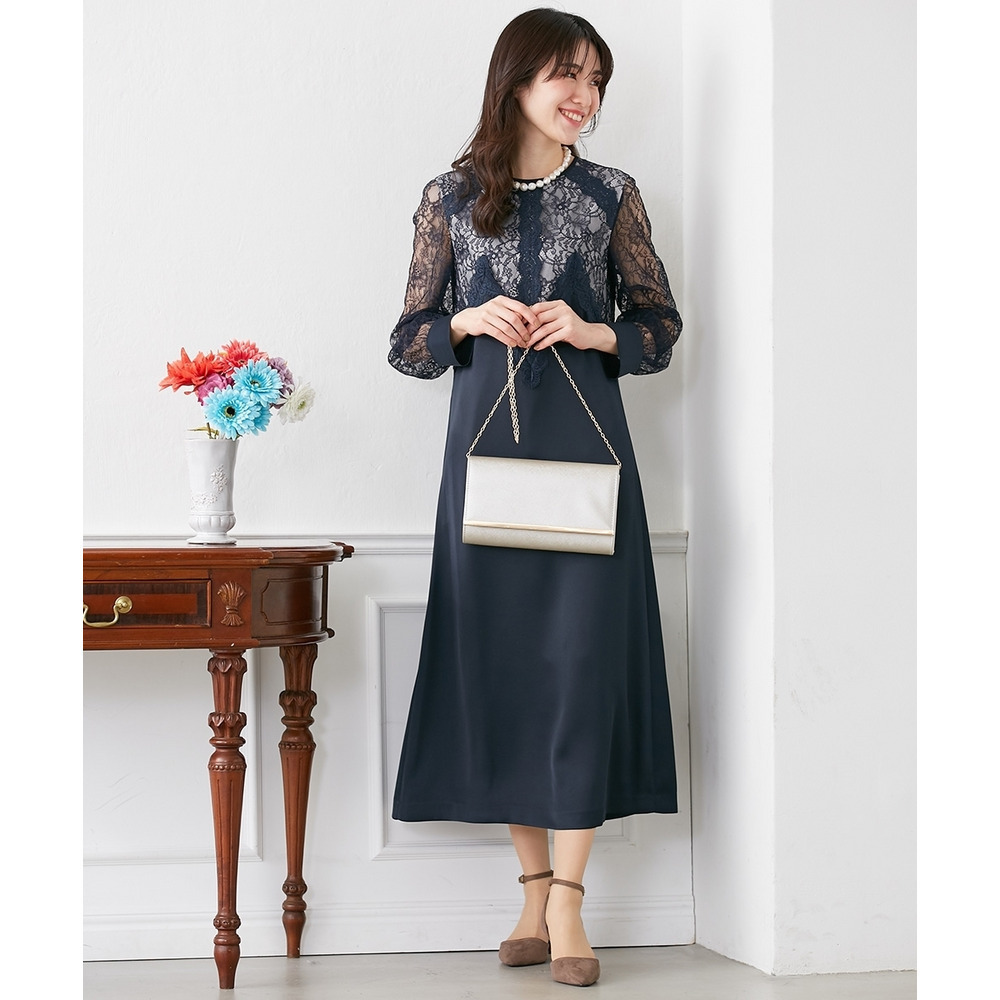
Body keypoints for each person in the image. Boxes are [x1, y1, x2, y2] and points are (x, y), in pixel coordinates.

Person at [387, 7, 681, 988]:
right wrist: (466, 319)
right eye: (566, 74)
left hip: (587, 462)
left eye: (596, 79)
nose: (583, 95)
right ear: (516, 81)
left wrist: (594, 331)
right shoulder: (449, 196)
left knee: (581, 670)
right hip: (485, 465)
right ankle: (530, 888)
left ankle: (569, 903)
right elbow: (409, 343)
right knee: (508, 669)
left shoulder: (610, 194)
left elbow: (659, 324)